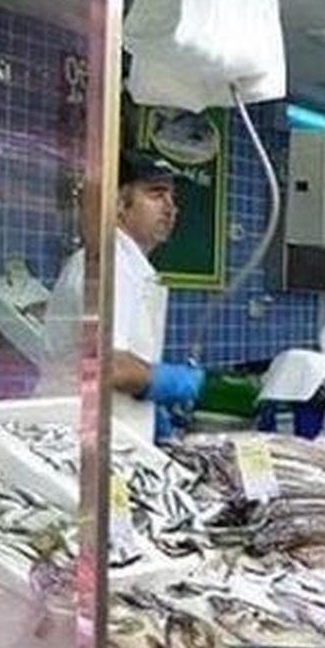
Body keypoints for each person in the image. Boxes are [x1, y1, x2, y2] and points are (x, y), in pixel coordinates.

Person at [45, 150, 205, 441]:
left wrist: (148, 404)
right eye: (156, 195)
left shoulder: (130, 265)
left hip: (112, 433)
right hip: (82, 439)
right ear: (119, 204)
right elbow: (108, 364)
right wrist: (164, 381)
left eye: (172, 197)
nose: (171, 208)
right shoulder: (110, 262)